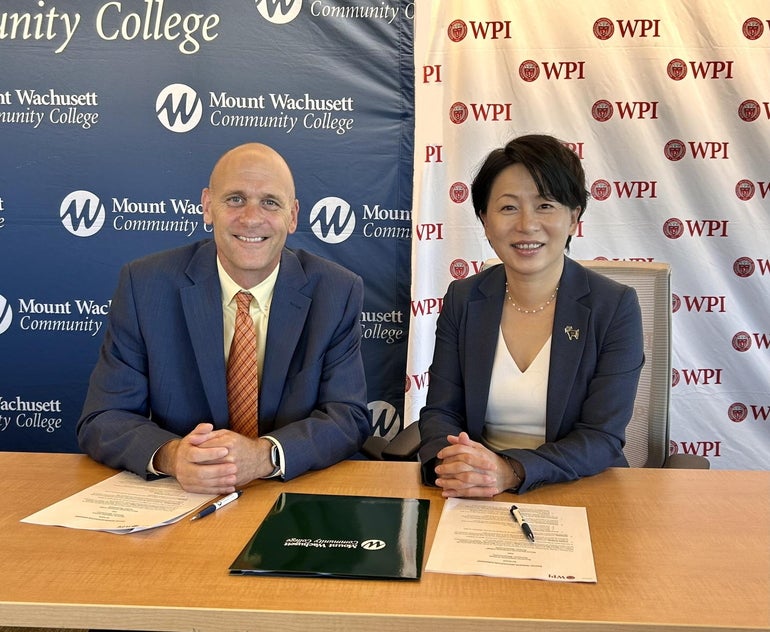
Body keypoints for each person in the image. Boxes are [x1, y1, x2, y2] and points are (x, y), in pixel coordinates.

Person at [77, 143, 371, 494]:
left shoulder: (336, 291)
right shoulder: (145, 285)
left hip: (287, 495)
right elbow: (104, 418)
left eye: (270, 202)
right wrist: (173, 456)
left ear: (292, 216)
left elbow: (347, 417)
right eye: (234, 199)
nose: (251, 218)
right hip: (184, 494)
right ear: (207, 206)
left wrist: (264, 456)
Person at [418, 134, 644, 496]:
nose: (526, 224)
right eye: (508, 208)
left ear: (574, 218)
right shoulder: (463, 298)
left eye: (545, 205)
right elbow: (439, 413)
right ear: (485, 221)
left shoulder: (613, 307)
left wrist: (511, 471)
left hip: (578, 488)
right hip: (478, 492)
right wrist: (455, 462)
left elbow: (601, 437)